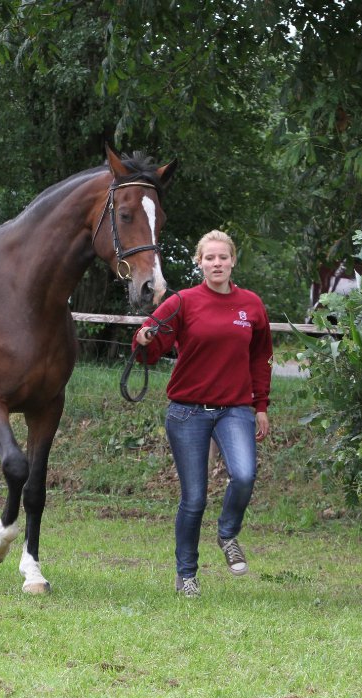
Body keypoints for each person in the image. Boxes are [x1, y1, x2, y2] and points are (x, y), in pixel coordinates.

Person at [133, 230, 273, 597]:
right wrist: (144, 338)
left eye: (222, 257)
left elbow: (260, 358)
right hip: (188, 412)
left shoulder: (252, 305)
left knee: (243, 475)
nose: (217, 264)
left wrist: (261, 406)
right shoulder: (182, 302)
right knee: (194, 498)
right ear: (200, 263)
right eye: (209, 258)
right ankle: (187, 575)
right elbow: (150, 344)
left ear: (232, 261)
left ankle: (227, 533)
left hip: (235, 410)